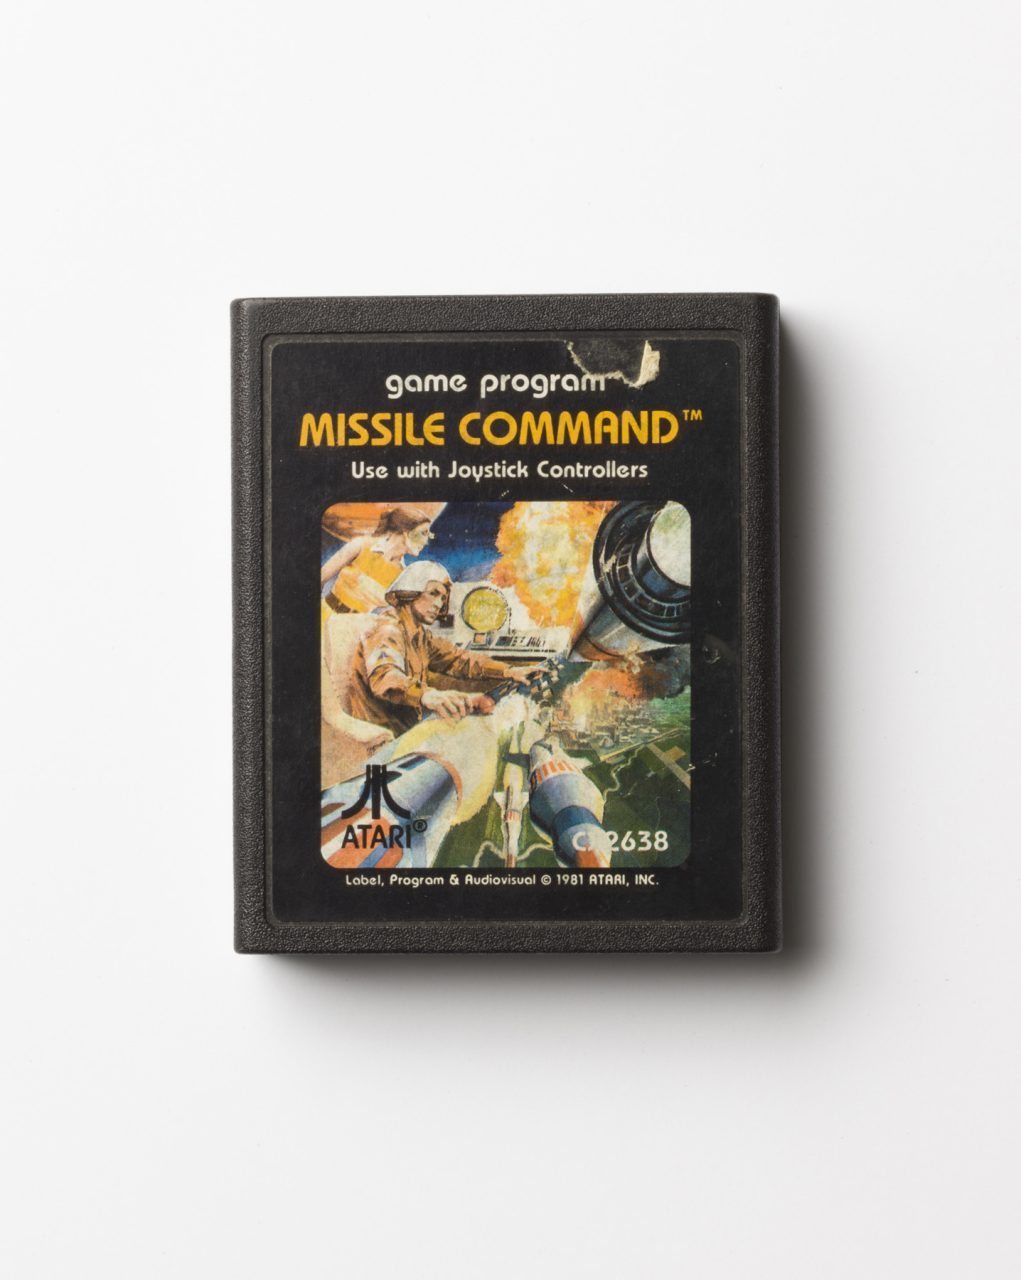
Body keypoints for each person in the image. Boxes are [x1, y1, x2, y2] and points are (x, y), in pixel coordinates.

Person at [347, 561, 543, 737]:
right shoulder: (387, 629)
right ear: (410, 591)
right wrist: (427, 695)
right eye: (433, 594)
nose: (439, 604)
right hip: (384, 738)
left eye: (442, 598)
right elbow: (386, 675)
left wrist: (509, 671)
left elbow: (459, 659)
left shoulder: (419, 635)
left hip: (408, 730)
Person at [320, 506, 434, 619]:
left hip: (358, 627)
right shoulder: (362, 545)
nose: (426, 542)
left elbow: (398, 615)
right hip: (326, 616)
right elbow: (321, 577)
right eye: (423, 533)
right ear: (406, 531)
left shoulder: (403, 575)